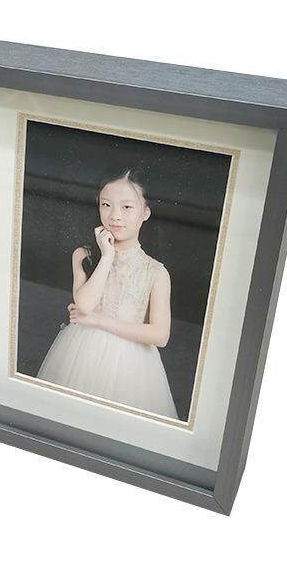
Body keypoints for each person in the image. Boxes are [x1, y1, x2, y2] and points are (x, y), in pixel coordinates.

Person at [37, 169, 178, 418]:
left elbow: (159, 335)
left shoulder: (156, 272)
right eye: (106, 205)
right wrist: (107, 256)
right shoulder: (84, 254)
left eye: (127, 207)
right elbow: (84, 305)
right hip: (81, 351)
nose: (115, 216)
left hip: (132, 364)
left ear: (145, 213)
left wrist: (98, 321)